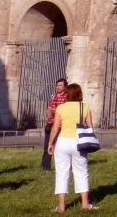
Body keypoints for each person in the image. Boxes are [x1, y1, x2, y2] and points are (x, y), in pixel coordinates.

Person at [46, 82, 95, 212]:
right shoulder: (85, 107)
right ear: (79, 94)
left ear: (67, 93)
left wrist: (50, 143)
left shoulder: (61, 108)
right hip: (79, 142)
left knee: (61, 173)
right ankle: (85, 203)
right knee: (81, 172)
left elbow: (55, 128)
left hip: (62, 141)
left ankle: (61, 206)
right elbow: (90, 127)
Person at [42, 78, 69, 171]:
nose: (58, 87)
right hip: (50, 123)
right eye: (57, 85)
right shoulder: (53, 95)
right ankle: (45, 166)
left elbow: (64, 110)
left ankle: (63, 165)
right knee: (47, 145)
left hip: (60, 125)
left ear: (65, 87)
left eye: (60, 85)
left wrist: (55, 112)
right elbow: (50, 106)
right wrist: (48, 113)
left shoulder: (67, 97)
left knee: (60, 147)